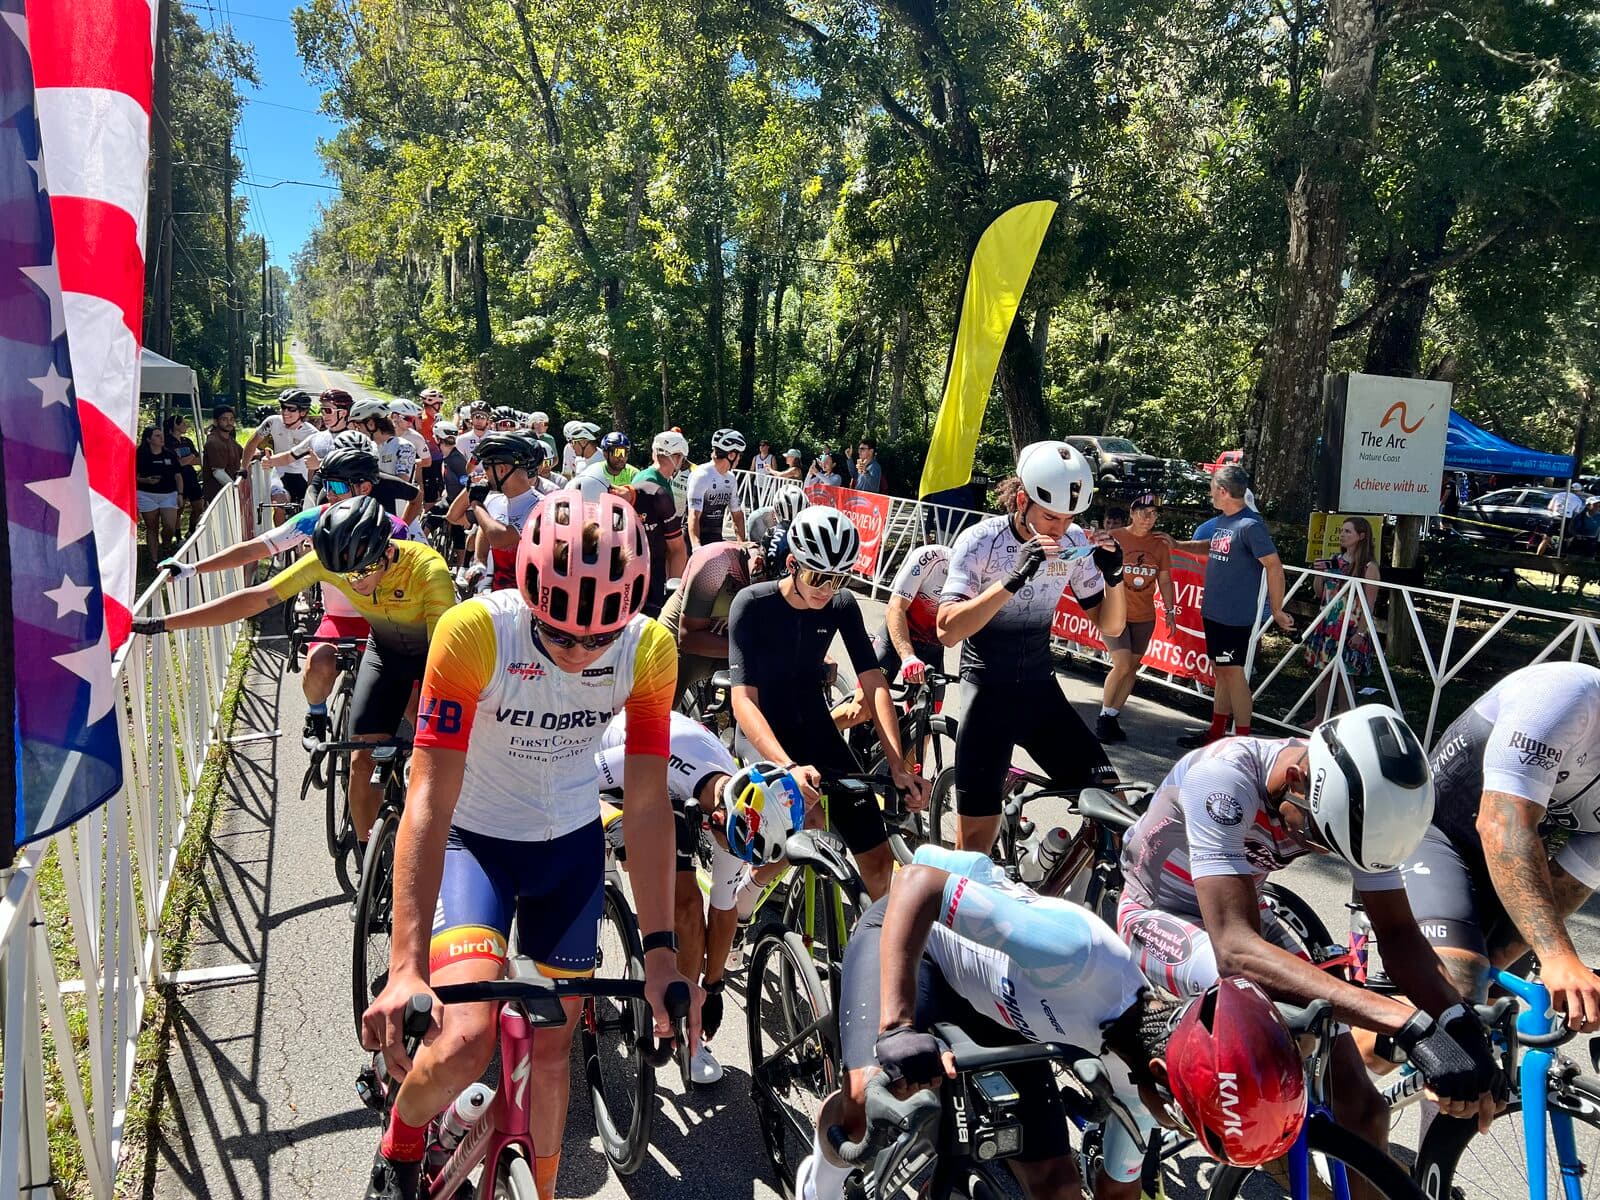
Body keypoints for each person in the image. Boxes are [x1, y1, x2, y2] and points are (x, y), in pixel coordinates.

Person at [359, 489, 697, 1200]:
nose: (580, 653)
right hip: (474, 846)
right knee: (465, 1040)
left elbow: (646, 803)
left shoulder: (648, 648)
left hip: (568, 849)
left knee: (552, 1051)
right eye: (561, 635)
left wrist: (662, 950)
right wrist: (405, 965)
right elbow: (428, 799)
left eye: (599, 639)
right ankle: (402, 1138)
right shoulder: (476, 633)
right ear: (529, 595)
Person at [798, 844, 1310, 1200]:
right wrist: (897, 1025)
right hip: (920, 941)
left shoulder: (1149, 1083)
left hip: (999, 1012)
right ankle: (818, 1184)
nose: (1171, 1128)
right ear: (1159, 1073)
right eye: (1182, 1123)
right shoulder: (1078, 956)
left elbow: (1118, 1190)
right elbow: (915, 884)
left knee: (1059, 1188)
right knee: (865, 1100)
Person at [1117, 704, 1504, 1160]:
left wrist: (1460, 1023)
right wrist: (1408, 1024)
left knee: (1363, 1112)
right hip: (1161, 912)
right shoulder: (1221, 778)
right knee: (1269, 1049)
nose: (1320, 850)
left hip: (1241, 911)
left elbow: (1399, 933)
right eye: (1319, 835)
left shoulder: (1363, 803)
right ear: (1297, 780)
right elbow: (1235, 952)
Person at [135, 497, 453, 854]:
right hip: (384, 654)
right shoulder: (330, 563)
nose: (354, 583)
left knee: (435, 752)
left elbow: (444, 654)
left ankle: (449, 837)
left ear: (388, 552)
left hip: (430, 655)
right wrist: (164, 623)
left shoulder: (427, 569)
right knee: (361, 760)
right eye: (344, 576)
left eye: (361, 573)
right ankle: (371, 858)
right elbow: (256, 599)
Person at [936, 441, 1128, 853]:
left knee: (1114, 809)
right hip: (988, 693)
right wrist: (1013, 579)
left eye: (1069, 518)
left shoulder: (1073, 541)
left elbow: (1111, 625)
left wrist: (1115, 578)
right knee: (974, 848)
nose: (1060, 528)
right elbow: (947, 631)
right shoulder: (980, 541)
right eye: (1050, 516)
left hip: (1040, 692)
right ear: (1022, 500)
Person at [728, 506, 929, 900]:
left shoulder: (841, 604)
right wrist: (787, 766)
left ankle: (871, 934)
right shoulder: (752, 603)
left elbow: (874, 683)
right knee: (812, 818)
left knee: (878, 860)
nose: (826, 589)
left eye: (838, 578)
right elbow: (744, 702)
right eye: (817, 577)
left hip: (815, 729)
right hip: (764, 733)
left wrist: (897, 765)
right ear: (792, 564)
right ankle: (748, 892)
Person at [162, 444, 418, 746]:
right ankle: (316, 715)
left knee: (413, 698)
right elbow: (253, 550)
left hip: (384, 623)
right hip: (339, 619)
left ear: (364, 488)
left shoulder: (394, 528)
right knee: (319, 665)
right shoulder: (315, 519)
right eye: (325, 484)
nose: (329, 493)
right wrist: (193, 568)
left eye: (337, 486)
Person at [1405, 662, 1600, 1033]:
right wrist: (1557, 955)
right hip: (1430, 830)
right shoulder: (1566, 695)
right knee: (1455, 993)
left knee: (1492, 1016)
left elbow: (1570, 881)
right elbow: (1502, 825)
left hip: (1505, 867)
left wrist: (1498, 964)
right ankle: (1343, 1063)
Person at [596, 714, 765, 1085]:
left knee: (688, 908)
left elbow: (723, 905)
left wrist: (713, 987)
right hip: (622, 760)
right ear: (717, 819)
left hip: (676, 788)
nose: (736, 855)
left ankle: (686, 1024)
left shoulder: (738, 805)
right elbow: (569, 782)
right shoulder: (658, 756)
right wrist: (610, 817)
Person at [1174, 466, 1291, 748]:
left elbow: (1274, 566)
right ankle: (1216, 732)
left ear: (1223, 491)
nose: (1210, 494)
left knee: (1234, 674)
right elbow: (1213, 546)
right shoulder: (1225, 520)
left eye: (1212, 489)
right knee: (1222, 671)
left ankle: (1242, 743)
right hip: (1215, 612)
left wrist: (1277, 610)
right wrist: (1178, 544)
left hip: (1233, 616)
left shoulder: (1250, 525)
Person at [832, 539, 949, 740]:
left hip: (931, 650)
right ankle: (808, 738)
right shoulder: (931, 558)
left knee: (923, 727)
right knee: (861, 711)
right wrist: (908, 656)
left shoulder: (986, 578)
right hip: (895, 640)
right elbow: (895, 608)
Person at [1097, 493, 1177, 742]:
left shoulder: (1159, 544)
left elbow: (1165, 580)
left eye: (1154, 514)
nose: (1149, 518)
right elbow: (1093, 568)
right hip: (1115, 612)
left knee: (1131, 668)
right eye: (1144, 512)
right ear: (1132, 513)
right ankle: (1103, 717)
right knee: (1121, 664)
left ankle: (1112, 716)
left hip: (1144, 616)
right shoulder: (1115, 537)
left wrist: (1170, 611)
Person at [444, 433, 554, 590]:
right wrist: (470, 488)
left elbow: (500, 538)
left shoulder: (540, 506)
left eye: (487, 467)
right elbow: (454, 517)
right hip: (499, 594)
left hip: (527, 597)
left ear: (502, 469)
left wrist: (476, 504)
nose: (485, 473)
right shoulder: (495, 500)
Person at [1304, 516, 1382, 717]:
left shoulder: (1369, 567)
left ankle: (1344, 719)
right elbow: (1320, 593)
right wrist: (1319, 574)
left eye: (1348, 531)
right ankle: (1319, 717)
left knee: (1344, 676)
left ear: (1361, 536)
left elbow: (1369, 603)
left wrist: (1361, 633)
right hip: (1328, 623)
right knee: (1323, 673)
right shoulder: (1334, 560)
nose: (1342, 535)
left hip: (1350, 627)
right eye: (1341, 531)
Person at [628, 433, 690, 619]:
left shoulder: (651, 478)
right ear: (677, 457)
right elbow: (674, 546)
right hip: (650, 567)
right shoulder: (654, 484)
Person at [241, 389, 320, 522]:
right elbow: (252, 442)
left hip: (304, 478)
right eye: (283, 407)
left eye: (291, 409)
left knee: (305, 517)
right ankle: (281, 535)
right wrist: (243, 467)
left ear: (303, 412)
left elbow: (314, 463)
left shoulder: (313, 433)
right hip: (280, 474)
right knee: (279, 505)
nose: (285, 412)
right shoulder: (272, 422)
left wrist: (311, 487)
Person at [686, 428, 747, 550]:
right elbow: (693, 515)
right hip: (694, 539)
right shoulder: (701, 475)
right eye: (739, 455)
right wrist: (696, 547)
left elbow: (737, 514)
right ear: (731, 455)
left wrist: (742, 544)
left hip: (715, 538)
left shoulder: (731, 478)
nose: (739, 459)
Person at [136, 424, 182, 567]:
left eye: (161, 435)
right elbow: (134, 477)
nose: (161, 438)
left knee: (169, 526)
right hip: (146, 495)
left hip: (169, 494)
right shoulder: (140, 455)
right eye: (157, 436)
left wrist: (180, 493)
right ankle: (154, 559)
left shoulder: (170, 454)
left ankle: (166, 545)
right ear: (148, 439)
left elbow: (178, 476)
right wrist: (146, 480)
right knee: (152, 527)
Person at [349, 398, 418, 489]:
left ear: (371, 424)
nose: (357, 430)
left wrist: (369, 472)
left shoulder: (404, 446)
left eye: (358, 425)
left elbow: (402, 483)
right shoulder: (368, 446)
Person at [163, 412, 205, 536]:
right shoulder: (167, 442)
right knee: (179, 509)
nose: (186, 426)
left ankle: (191, 531)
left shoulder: (187, 441)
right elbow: (176, 463)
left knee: (198, 506)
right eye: (184, 423)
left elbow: (198, 459)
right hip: (177, 479)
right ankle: (178, 536)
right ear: (176, 425)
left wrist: (187, 459)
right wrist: (189, 457)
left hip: (191, 477)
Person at [201, 404, 243, 506]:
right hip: (217, 497)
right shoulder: (214, 442)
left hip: (229, 494)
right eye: (224, 419)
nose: (229, 422)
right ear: (216, 422)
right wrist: (235, 489)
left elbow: (243, 454)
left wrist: (259, 454)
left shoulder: (230, 439)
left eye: (231, 419)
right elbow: (218, 472)